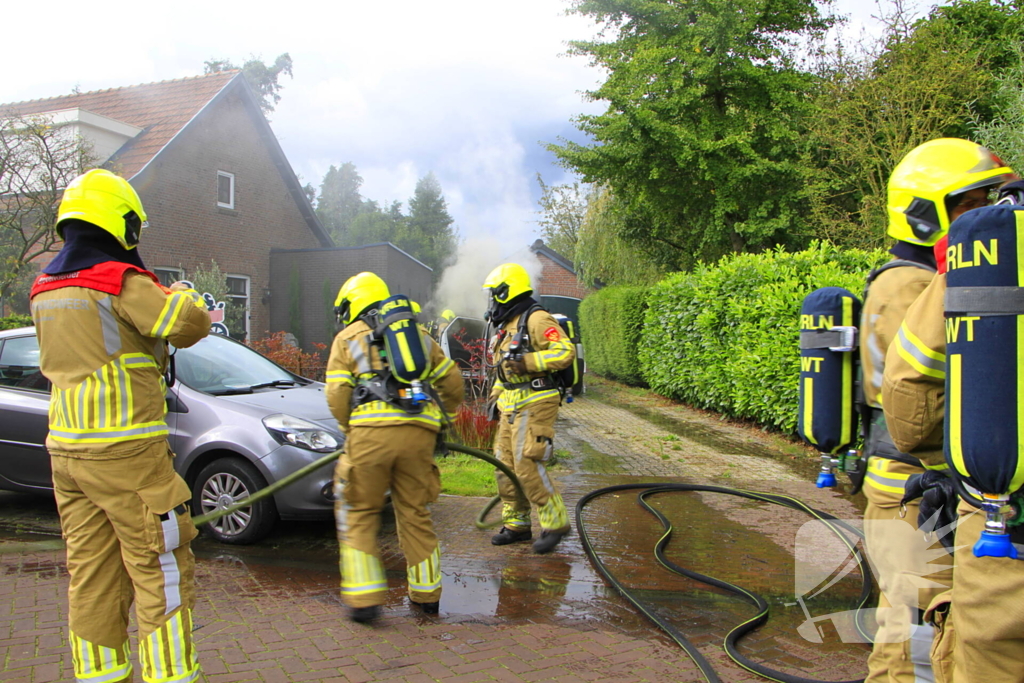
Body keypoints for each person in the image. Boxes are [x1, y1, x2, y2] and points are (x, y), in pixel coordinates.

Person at [30, 169, 211, 683]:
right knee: (161, 571)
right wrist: (184, 295)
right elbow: (189, 325)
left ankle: (99, 675)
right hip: (128, 454)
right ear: (120, 222)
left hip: (67, 453)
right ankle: (171, 676)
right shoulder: (122, 281)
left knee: (91, 573)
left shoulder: (43, 287)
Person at [859, 138, 1012, 682]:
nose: (984, 213)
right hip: (914, 486)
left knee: (911, 628)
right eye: (970, 203)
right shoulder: (914, 284)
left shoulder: (904, 277)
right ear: (925, 215)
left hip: (911, 485)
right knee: (912, 641)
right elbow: (915, 397)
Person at [325, 272, 463, 623]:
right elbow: (452, 382)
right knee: (415, 512)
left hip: (370, 435)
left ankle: (365, 599)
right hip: (418, 434)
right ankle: (427, 595)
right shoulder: (418, 335)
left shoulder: (347, 338)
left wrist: (349, 428)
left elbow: (337, 394)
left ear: (353, 303)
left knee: (358, 510)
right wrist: (443, 421)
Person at [483, 263, 574, 554]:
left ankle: (555, 523)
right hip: (509, 403)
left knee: (527, 463)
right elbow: (504, 369)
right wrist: (495, 397)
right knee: (505, 466)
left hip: (536, 400)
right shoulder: (509, 325)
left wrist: (529, 362)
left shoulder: (536, 318)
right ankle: (517, 525)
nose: (492, 300)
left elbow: (565, 351)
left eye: (494, 294)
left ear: (506, 291)